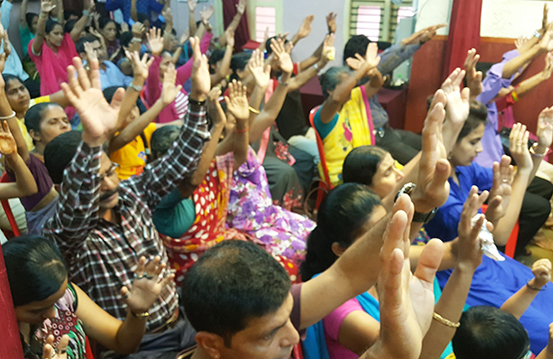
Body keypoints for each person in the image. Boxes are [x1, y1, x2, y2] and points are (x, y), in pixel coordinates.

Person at [42, 37, 210, 356]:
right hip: (133, 347)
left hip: (181, 325)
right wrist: (92, 142)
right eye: (94, 180)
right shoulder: (63, 233)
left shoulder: (132, 194)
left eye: (108, 172)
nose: (107, 185)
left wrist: (199, 99)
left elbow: (181, 160)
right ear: (65, 188)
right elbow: (77, 208)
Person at [426, 107, 553, 353]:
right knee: (541, 327)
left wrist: (538, 151)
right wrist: (524, 170)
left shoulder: (463, 170)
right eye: (474, 141)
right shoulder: (442, 196)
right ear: (449, 141)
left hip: (488, 261)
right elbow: (501, 235)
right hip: (464, 275)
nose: (480, 149)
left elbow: (514, 184)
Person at [3, 235, 174, 359]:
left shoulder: (65, 297)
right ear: (8, 301)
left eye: (55, 301)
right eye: (37, 311)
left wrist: (138, 311)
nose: (52, 314)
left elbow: (123, 343)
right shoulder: (5, 338)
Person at [342, 24, 445, 165]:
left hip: (387, 131)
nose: (375, 58)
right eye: (371, 55)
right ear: (357, 58)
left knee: (433, 144)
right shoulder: (349, 79)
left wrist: (416, 42)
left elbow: (387, 60)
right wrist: (411, 41)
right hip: (377, 138)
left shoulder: (368, 73)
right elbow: (386, 61)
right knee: (424, 160)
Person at [314, 42, 383, 186]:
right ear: (330, 90)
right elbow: (336, 98)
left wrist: (373, 72)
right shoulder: (325, 114)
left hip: (361, 164)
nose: (352, 87)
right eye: (347, 84)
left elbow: (376, 84)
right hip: (341, 172)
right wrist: (361, 70)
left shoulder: (354, 98)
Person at [144, 27, 212, 124]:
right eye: (166, 64)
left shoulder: (175, 78)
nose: (171, 66)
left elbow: (193, 62)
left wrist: (208, 34)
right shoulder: (154, 90)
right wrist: (155, 55)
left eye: (172, 63)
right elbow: (152, 79)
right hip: (173, 132)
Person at [29, 0, 90, 97]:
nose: (60, 37)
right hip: (52, 94)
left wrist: (87, 12)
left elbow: (77, 29)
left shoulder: (65, 44)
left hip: (73, 90)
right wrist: (44, 14)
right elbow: (39, 34)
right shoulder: (39, 49)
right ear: (47, 36)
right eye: (56, 34)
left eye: (61, 34)